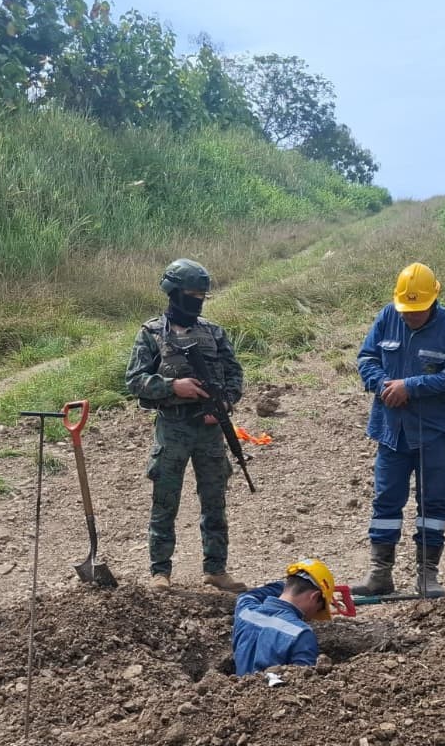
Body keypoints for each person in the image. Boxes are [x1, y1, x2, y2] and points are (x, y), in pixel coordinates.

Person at [125, 258, 247, 593]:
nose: (196, 300)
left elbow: (235, 376)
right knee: (165, 501)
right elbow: (134, 380)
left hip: (209, 430)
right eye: (190, 294)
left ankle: (216, 569)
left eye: (201, 295)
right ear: (173, 293)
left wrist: (223, 403)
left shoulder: (213, 332)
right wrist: (171, 387)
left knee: (214, 500)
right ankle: (160, 572)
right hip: (173, 427)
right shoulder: (150, 334)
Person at [351, 262, 445, 598]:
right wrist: (383, 384)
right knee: (386, 501)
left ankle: (427, 575)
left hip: (434, 432)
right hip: (391, 430)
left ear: (434, 300)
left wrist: (411, 387)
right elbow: (366, 358)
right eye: (406, 310)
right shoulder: (388, 316)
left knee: (432, 504)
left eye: (416, 311)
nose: (409, 317)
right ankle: (380, 574)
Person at [233, 558, 336, 675]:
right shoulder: (301, 634)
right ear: (314, 596)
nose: (313, 616)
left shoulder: (245, 611)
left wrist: (286, 585)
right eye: (319, 608)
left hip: (236, 690)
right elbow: (305, 683)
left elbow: (248, 595)